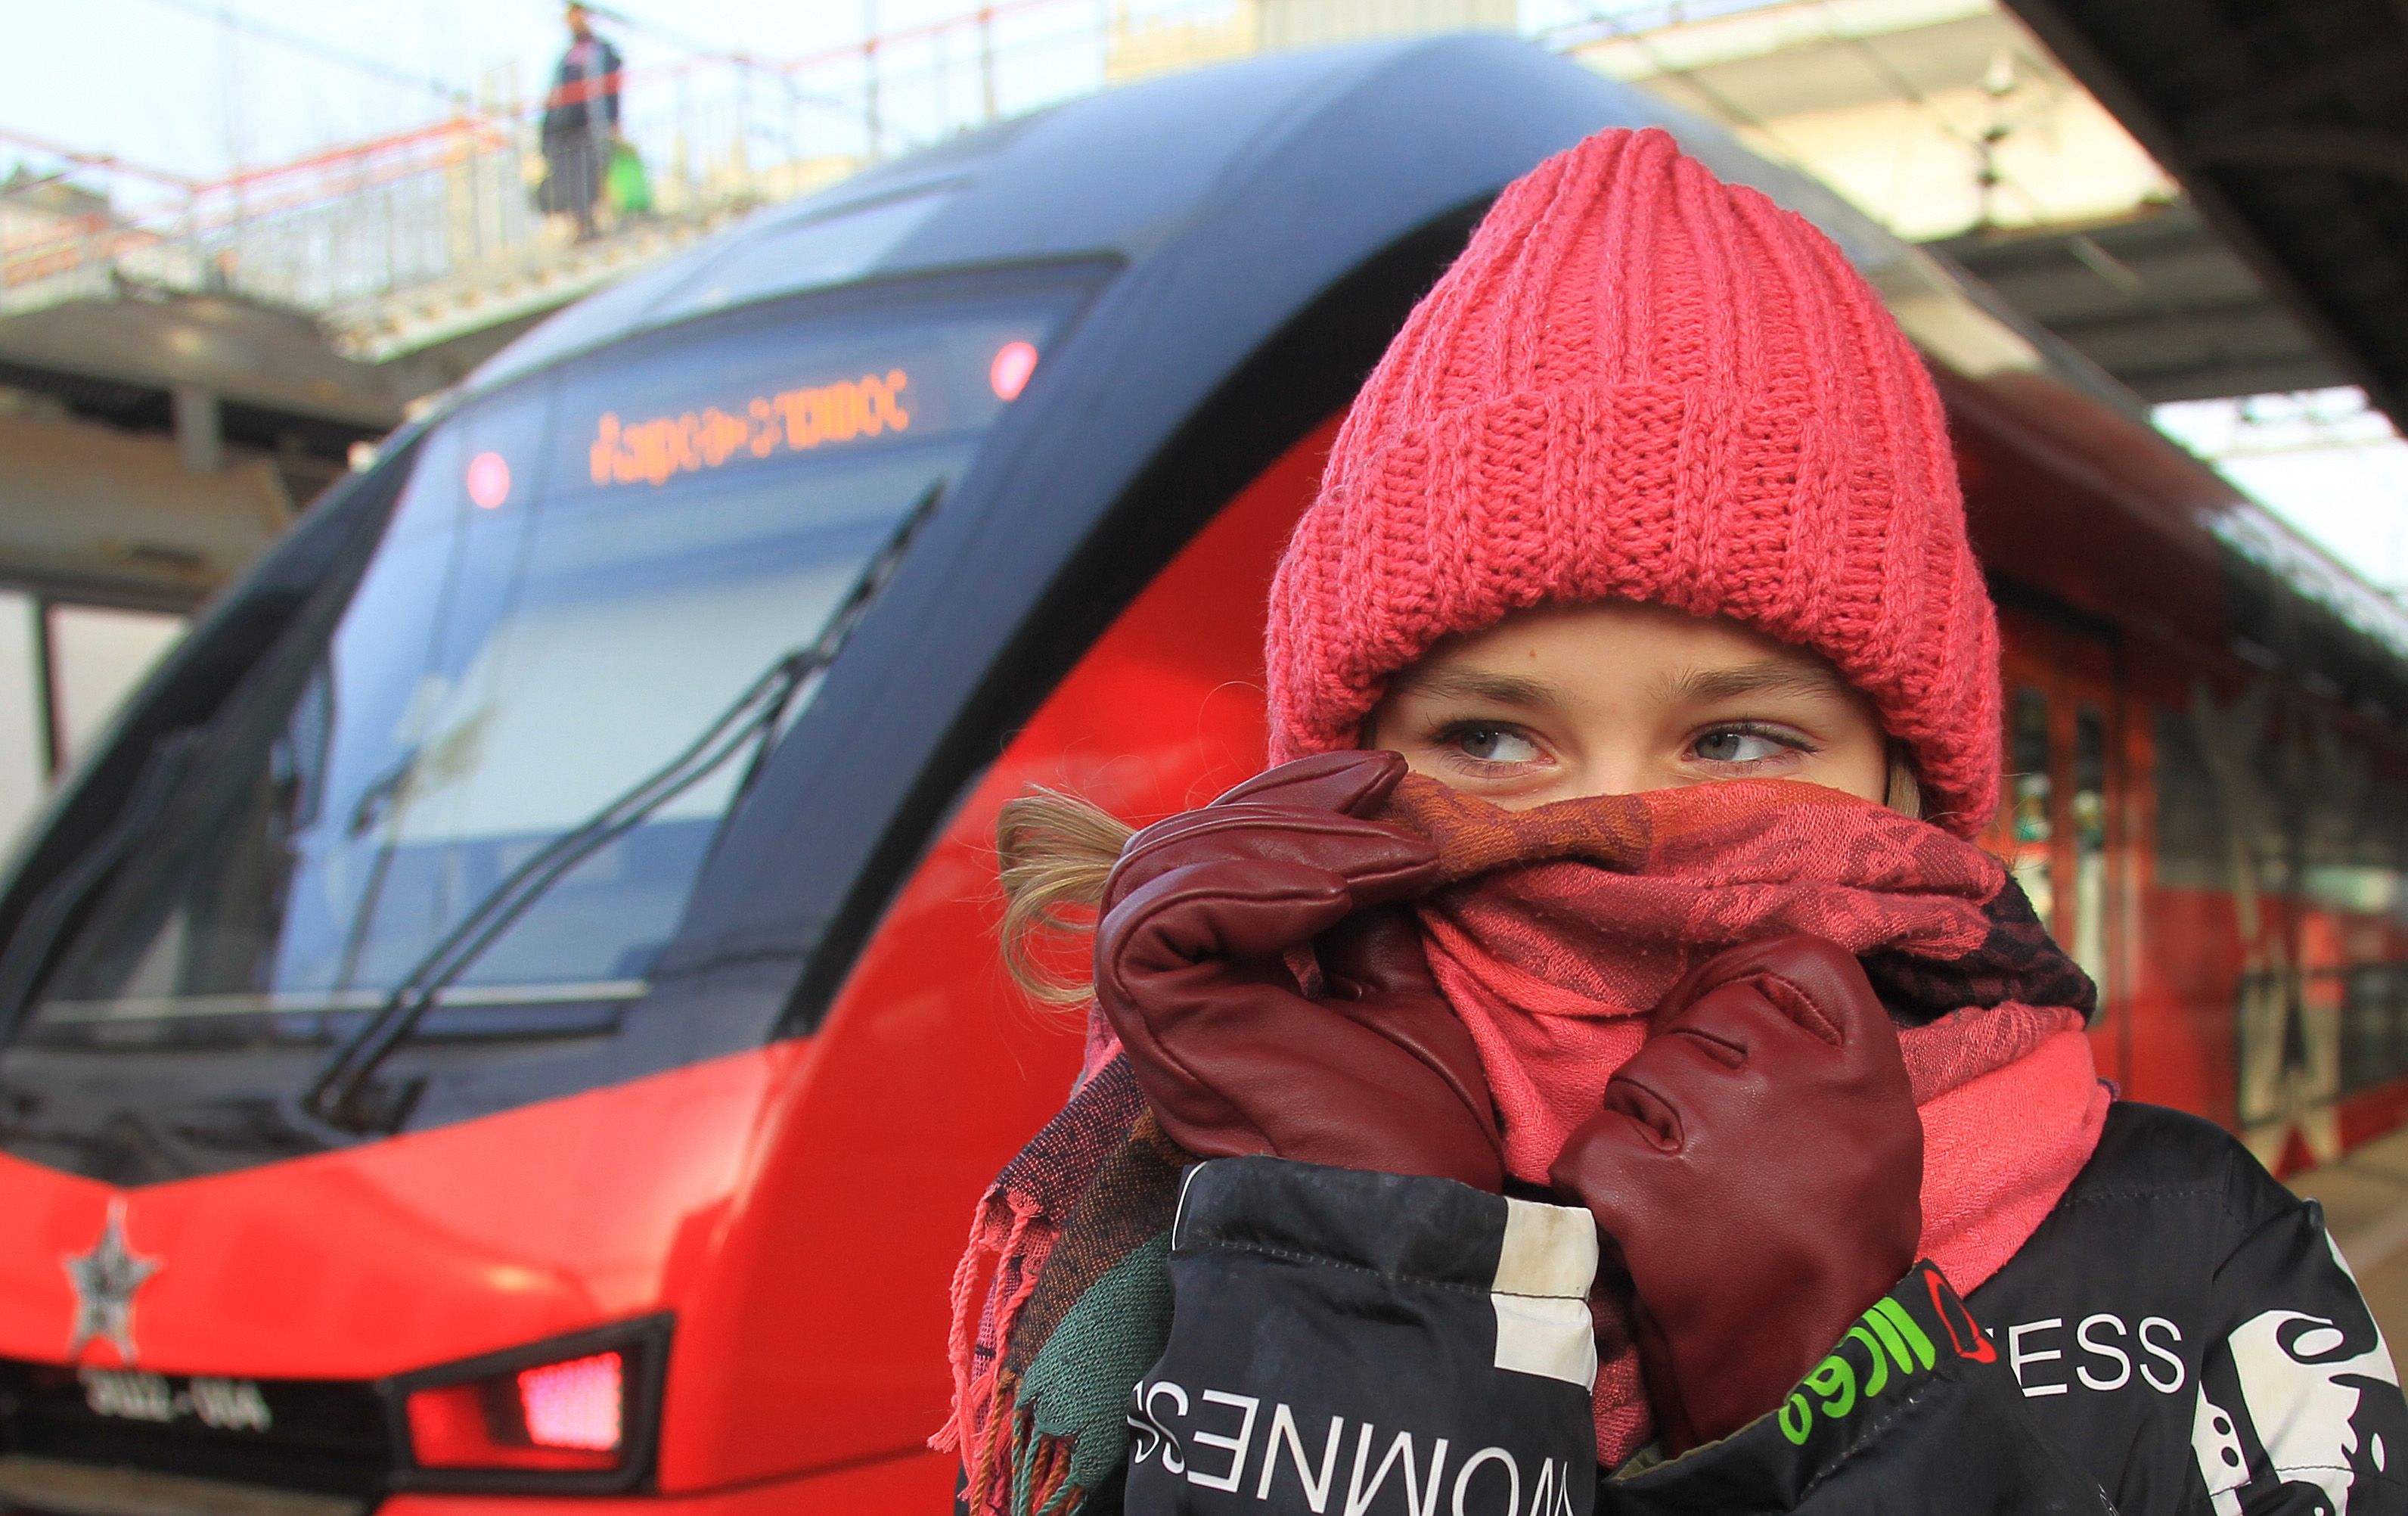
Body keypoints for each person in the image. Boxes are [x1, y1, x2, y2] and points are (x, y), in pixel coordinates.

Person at [942, 128, 2408, 1514]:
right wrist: (1364, 1273)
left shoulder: (2198, 1247)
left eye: (1736, 739)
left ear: (1912, 785)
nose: (1604, 828)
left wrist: (1844, 1381)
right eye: (1490, 737)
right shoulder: (1184, 1218)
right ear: (1341, 786)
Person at [538, 3, 621, 242]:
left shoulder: (600, 52)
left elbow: (609, 89)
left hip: (588, 126)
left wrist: (612, 122)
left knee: (588, 174)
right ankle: (579, 223)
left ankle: (590, 222)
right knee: (567, 178)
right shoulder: (566, 57)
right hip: (563, 130)